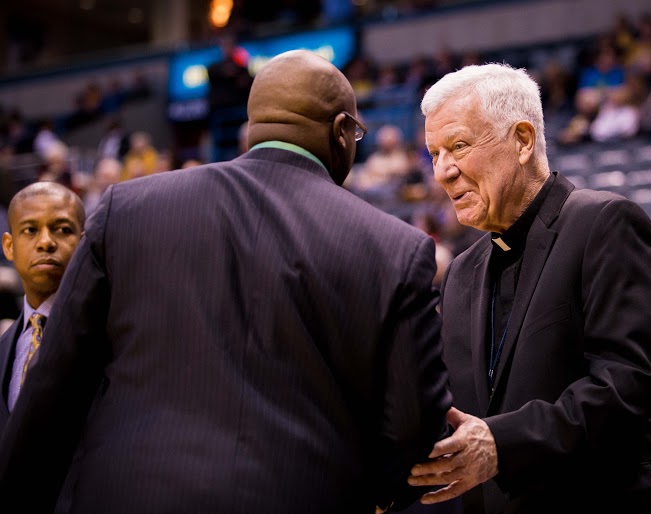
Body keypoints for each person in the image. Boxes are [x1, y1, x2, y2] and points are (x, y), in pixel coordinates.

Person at [0, 50, 451, 513]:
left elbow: (52, 389)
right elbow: (414, 433)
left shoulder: (126, 210)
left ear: (254, 125)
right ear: (340, 131)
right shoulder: (393, 248)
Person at [407, 63, 651, 513]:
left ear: (522, 141)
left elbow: (625, 388)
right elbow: (461, 420)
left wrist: (501, 444)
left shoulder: (604, 223)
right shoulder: (462, 273)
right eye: (434, 154)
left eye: (459, 146)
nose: (443, 172)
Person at [0, 182, 84, 432]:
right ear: (9, 247)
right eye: (30, 230)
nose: (45, 242)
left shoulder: (111, 334)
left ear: (83, 243)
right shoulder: (4, 347)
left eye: (62, 229)